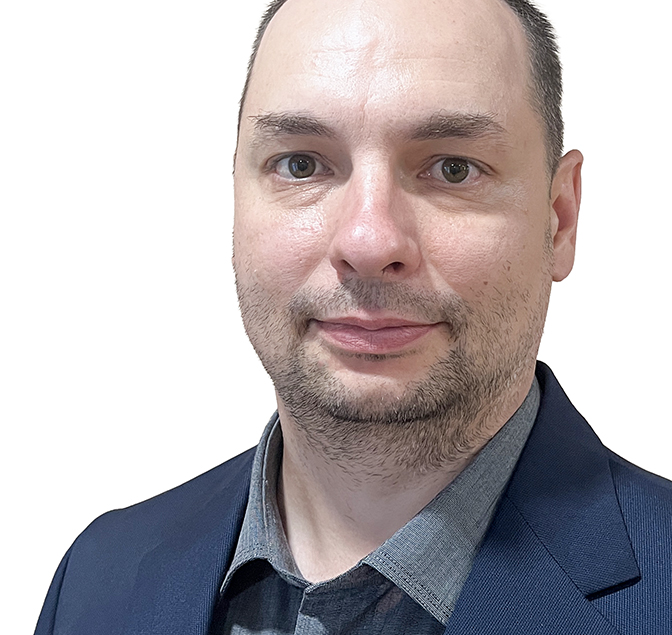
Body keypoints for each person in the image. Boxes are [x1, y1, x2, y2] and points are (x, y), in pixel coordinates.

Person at [34, 0, 672, 633]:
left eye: (453, 169)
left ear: (560, 220)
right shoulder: (98, 578)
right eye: (301, 165)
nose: (368, 241)